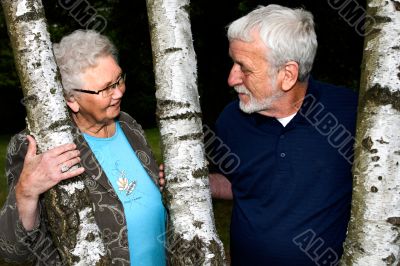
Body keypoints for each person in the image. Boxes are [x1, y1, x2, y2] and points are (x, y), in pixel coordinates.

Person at [206, 4, 358, 266]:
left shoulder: (352, 115)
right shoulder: (231, 120)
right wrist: (195, 182)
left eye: (245, 68)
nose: (232, 78)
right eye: (233, 62)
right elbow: (237, 182)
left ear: (287, 75)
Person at [0, 30, 166, 265]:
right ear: (71, 99)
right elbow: (12, 250)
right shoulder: (37, 147)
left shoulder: (129, 125)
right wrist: (26, 192)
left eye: (119, 79)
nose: (119, 92)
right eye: (105, 88)